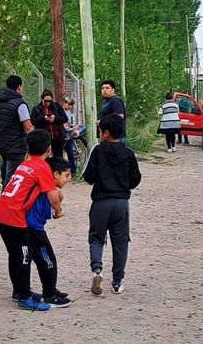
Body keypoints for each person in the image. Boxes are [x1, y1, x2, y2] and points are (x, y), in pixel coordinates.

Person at [0, 129, 62, 312]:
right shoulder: (42, 167)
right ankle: (24, 297)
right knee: (24, 255)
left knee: (16, 254)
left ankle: (19, 291)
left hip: (1, 213)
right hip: (14, 217)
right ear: (49, 148)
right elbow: (53, 196)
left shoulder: (25, 163)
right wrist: (58, 210)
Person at [83, 114, 142, 296]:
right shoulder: (128, 153)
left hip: (100, 202)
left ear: (106, 133)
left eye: (101, 132)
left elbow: (88, 177)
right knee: (121, 242)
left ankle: (97, 270)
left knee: (96, 238)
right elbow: (135, 179)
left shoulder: (98, 151)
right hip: (121, 203)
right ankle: (117, 282)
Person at [26, 156, 72, 307]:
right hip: (33, 228)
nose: (68, 179)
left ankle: (50, 289)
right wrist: (58, 209)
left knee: (41, 260)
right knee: (48, 260)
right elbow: (50, 208)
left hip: (31, 227)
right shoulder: (47, 187)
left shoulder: (46, 186)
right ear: (55, 174)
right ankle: (50, 295)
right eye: (66, 175)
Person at [0, 75, 34, 189]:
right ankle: (6, 200)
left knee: (7, 169)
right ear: (19, 87)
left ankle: (6, 194)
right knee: (13, 176)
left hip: (2, 145)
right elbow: (28, 127)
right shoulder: (20, 104)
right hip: (16, 147)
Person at [31, 89, 67, 160]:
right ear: (42, 99)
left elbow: (65, 118)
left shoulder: (56, 106)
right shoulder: (37, 108)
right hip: (44, 139)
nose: (48, 103)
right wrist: (43, 118)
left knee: (58, 158)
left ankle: (58, 170)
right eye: (46, 101)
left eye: (50, 101)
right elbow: (33, 121)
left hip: (57, 138)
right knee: (44, 158)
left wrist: (55, 118)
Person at [62, 97, 79, 175]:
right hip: (62, 137)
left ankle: (73, 171)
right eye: (69, 104)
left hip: (68, 136)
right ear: (64, 103)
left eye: (72, 105)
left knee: (70, 154)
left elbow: (68, 123)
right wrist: (72, 129)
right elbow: (64, 126)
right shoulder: (61, 111)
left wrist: (73, 126)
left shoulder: (68, 111)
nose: (70, 106)